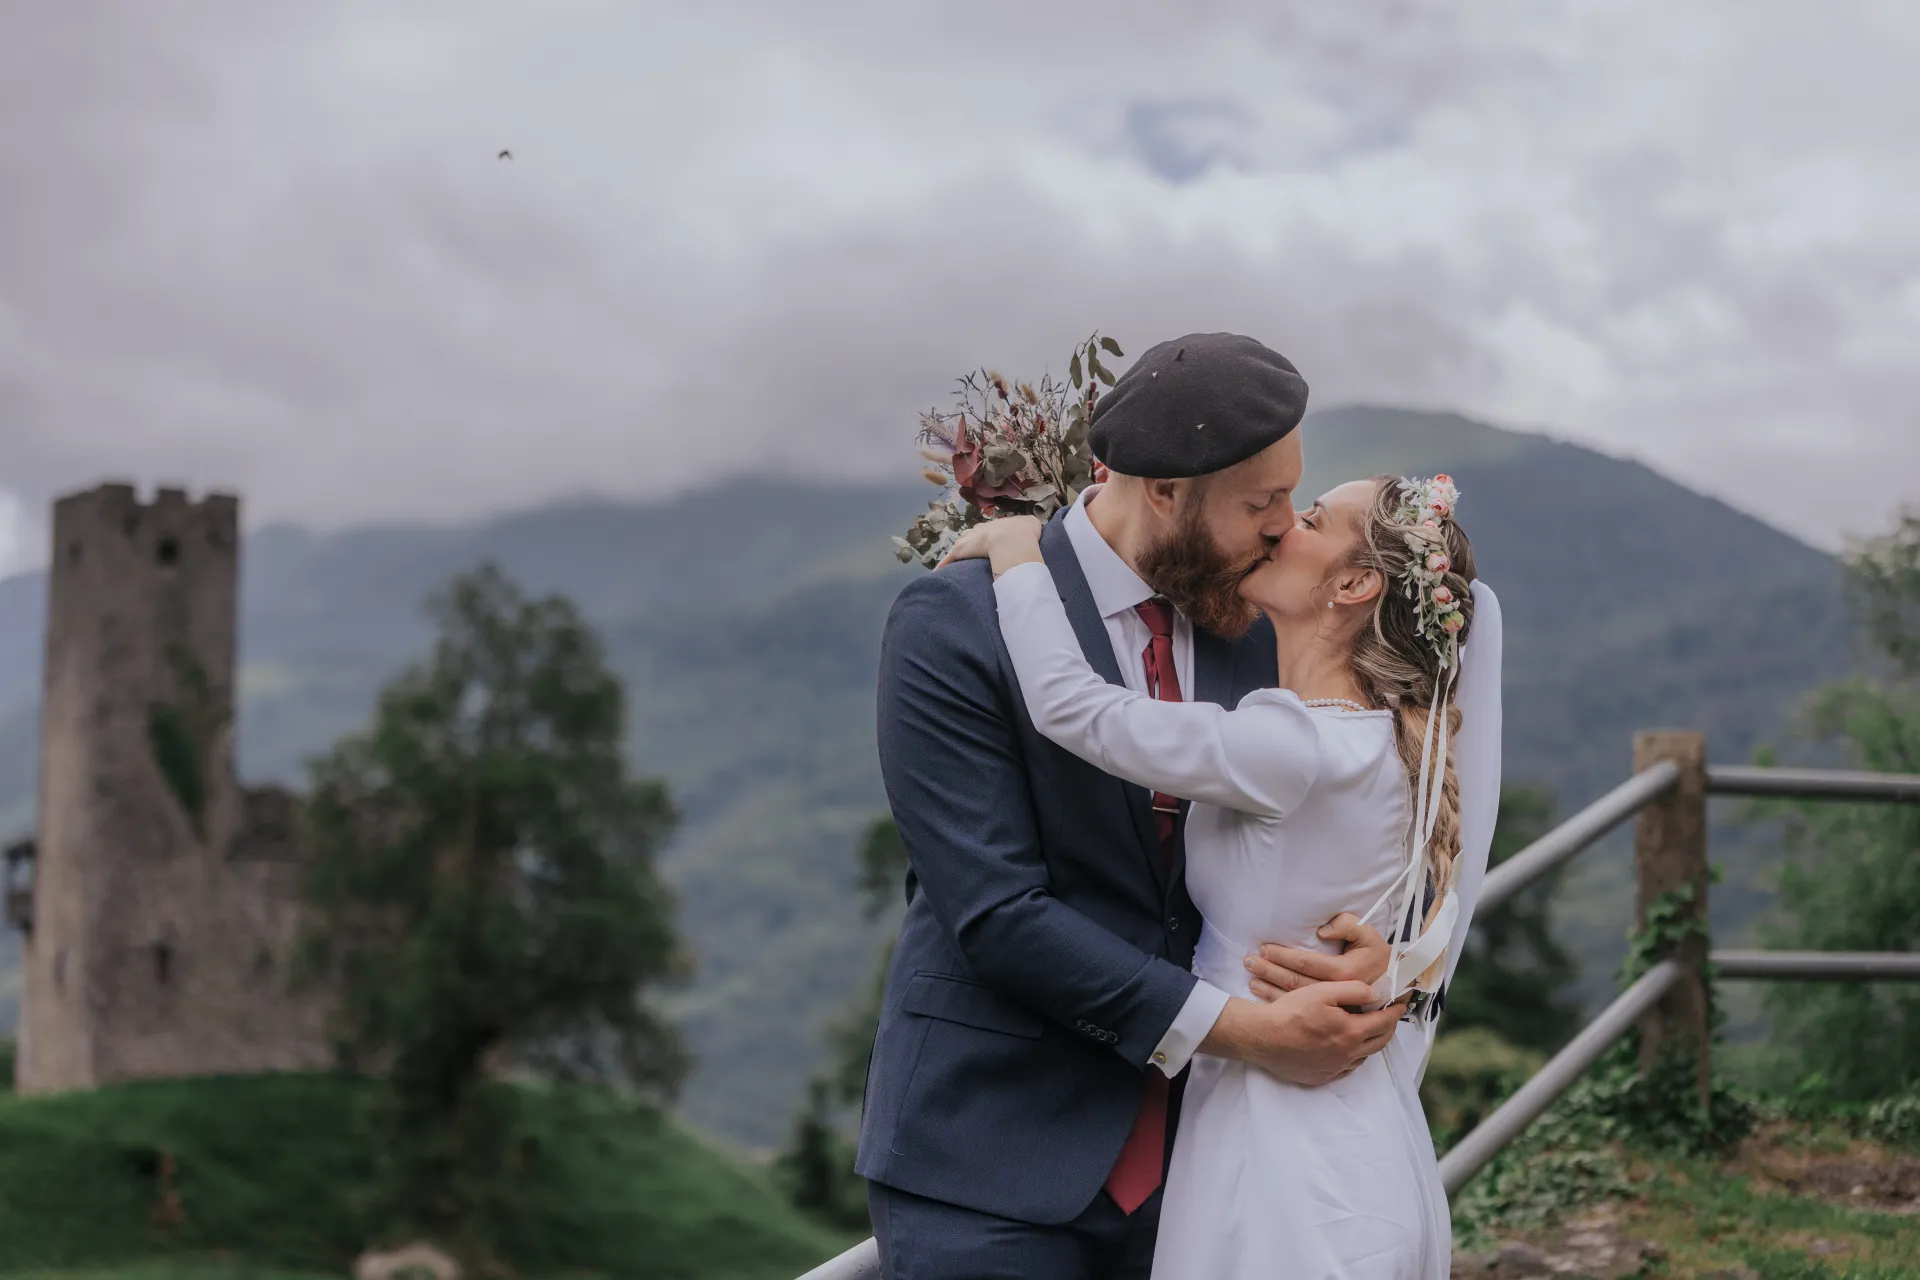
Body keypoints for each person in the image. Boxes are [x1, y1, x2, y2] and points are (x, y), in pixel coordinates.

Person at [857, 332, 1501, 1279]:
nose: (1284, 527)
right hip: (998, 1159)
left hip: (1211, 1159)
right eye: (1262, 503)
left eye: (1296, 499)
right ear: (1166, 490)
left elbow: (1383, 819)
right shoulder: (959, 624)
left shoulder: (1262, 620)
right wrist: (1256, 1033)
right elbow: (998, 914)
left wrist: (1389, 962)